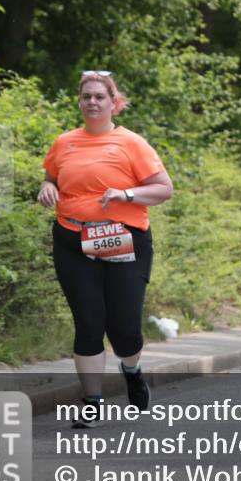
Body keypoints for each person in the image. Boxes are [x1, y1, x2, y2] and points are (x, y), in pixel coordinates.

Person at [38, 70, 173, 428]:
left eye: (100, 97)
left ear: (114, 103)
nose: (93, 102)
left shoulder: (132, 143)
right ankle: (93, 403)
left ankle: (132, 371)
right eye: (87, 97)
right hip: (72, 240)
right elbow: (51, 175)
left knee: (125, 327)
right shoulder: (64, 142)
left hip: (125, 240)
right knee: (88, 322)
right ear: (79, 102)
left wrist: (126, 194)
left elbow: (163, 189)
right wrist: (47, 188)